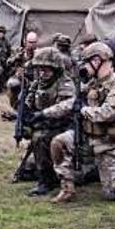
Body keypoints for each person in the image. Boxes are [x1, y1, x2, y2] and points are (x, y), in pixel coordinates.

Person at [54, 42, 115, 203]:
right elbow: (73, 102)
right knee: (59, 142)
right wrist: (45, 113)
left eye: (87, 62)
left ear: (97, 61)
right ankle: (67, 188)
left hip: (114, 144)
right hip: (92, 138)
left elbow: (108, 114)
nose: (85, 68)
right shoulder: (93, 83)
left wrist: (83, 110)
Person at [21, 47, 76, 197]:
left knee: (40, 138)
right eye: (40, 70)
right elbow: (29, 101)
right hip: (43, 124)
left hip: (62, 126)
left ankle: (46, 182)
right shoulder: (37, 83)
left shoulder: (65, 83)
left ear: (56, 69)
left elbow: (66, 106)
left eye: (46, 70)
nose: (42, 73)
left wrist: (43, 114)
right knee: (28, 168)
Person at [6, 31, 41, 108]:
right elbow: (8, 63)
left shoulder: (40, 54)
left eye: (34, 42)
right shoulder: (20, 51)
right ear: (25, 42)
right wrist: (16, 58)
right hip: (20, 78)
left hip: (35, 80)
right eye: (30, 42)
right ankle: (15, 105)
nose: (32, 45)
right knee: (12, 83)